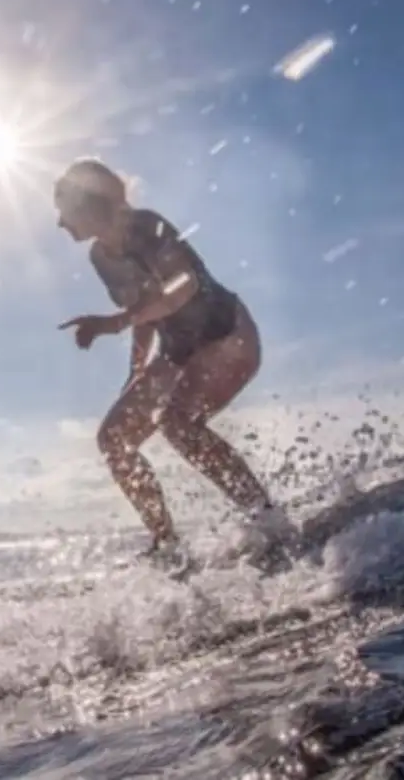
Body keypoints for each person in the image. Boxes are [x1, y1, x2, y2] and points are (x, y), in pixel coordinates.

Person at [53, 157, 297, 566]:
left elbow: (181, 288)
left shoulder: (146, 227)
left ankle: (268, 520)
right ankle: (167, 546)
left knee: (176, 423)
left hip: (227, 334)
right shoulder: (100, 257)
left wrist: (112, 324)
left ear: (89, 204)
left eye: (63, 209)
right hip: (179, 350)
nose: (60, 223)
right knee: (114, 439)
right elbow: (143, 308)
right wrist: (135, 370)